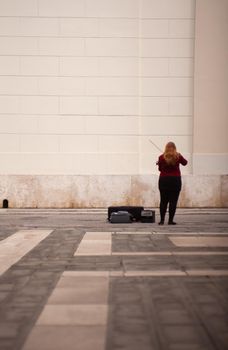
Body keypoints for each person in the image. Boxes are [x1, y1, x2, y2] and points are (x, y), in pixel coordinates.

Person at [157, 142, 188, 225]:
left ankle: (162, 220)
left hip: (164, 180)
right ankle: (170, 221)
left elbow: (160, 169)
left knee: (163, 201)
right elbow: (185, 163)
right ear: (175, 148)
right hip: (175, 181)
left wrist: (159, 163)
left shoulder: (161, 157)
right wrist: (179, 156)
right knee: (173, 201)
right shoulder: (178, 156)